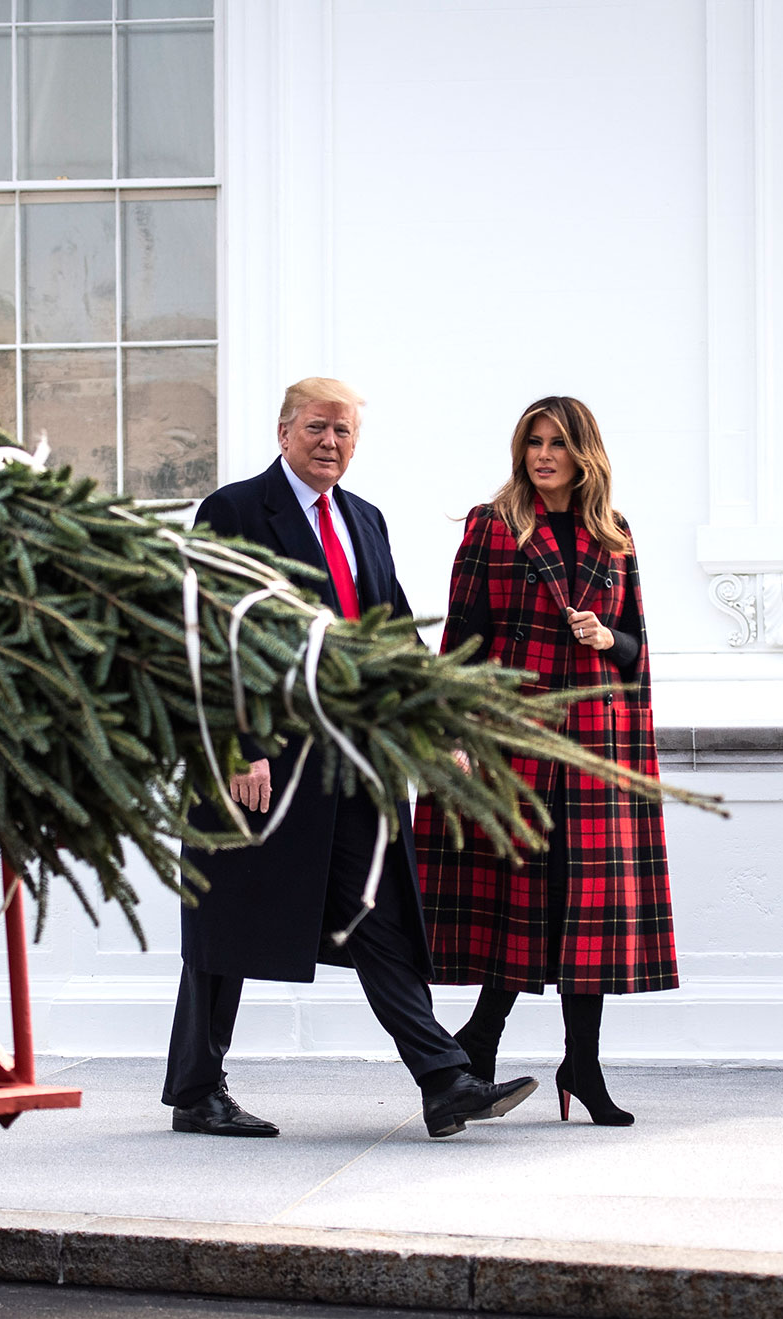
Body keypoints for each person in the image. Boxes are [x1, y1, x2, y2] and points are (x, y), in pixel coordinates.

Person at [162, 377, 539, 1140]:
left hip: (355, 763)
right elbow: (208, 634)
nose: (330, 442)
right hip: (265, 757)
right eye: (317, 427)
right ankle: (198, 1089)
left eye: (344, 432)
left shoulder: (365, 520)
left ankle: (444, 1082)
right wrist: (240, 742)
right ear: (283, 432)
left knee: (382, 915)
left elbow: (394, 634)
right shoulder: (233, 511)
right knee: (227, 921)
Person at [415, 395, 677, 1127]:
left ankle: (578, 1063)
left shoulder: (615, 535)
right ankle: (484, 1040)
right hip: (514, 737)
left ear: (583, 452)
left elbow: (635, 648)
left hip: (594, 743)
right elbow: (462, 641)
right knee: (519, 894)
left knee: (581, 903)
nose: (542, 455)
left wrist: (607, 641)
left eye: (557, 442)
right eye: (533, 441)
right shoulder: (493, 526)